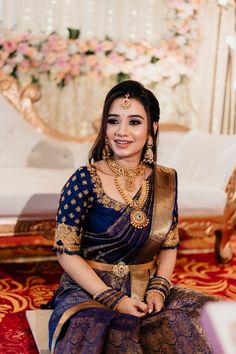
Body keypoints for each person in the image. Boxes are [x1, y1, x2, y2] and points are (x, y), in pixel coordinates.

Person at [48, 80, 216, 353]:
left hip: (147, 286)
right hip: (91, 290)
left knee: (212, 319)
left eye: (134, 122)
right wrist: (113, 299)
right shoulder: (83, 180)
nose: (121, 131)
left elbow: (169, 246)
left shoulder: (165, 180)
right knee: (107, 333)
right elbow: (65, 251)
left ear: (152, 130)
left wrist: (158, 289)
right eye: (113, 121)